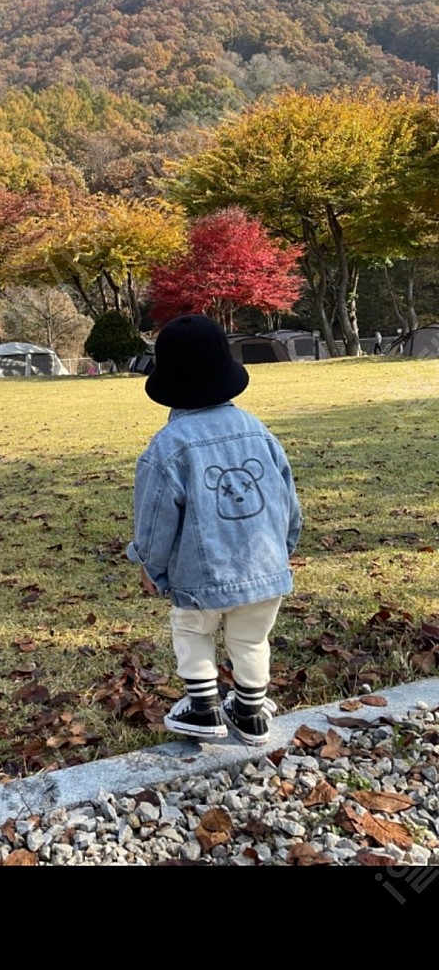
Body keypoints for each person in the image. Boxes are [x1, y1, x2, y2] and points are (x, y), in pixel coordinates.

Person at [126, 314, 302, 746]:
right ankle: (250, 710)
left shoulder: (168, 447)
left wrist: (150, 564)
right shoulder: (258, 431)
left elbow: (154, 520)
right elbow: (287, 499)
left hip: (201, 575)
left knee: (192, 629)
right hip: (266, 568)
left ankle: (203, 708)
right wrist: (284, 547)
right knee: (251, 638)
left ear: (166, 383)